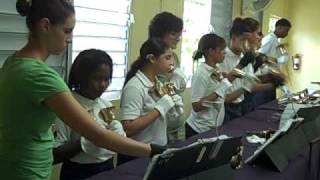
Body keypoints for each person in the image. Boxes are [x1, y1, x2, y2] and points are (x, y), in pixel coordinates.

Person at [0, 1, 163, 179]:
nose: (69, 38)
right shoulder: (40, 76)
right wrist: (156, 151)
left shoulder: (13, 62)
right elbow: (99, 136)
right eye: (67, 30)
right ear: (45, 25)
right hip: (28, 171)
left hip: (11, 163)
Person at [53, 49, 126, 180]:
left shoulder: (105, 105)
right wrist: (86, 141)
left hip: (107, 167)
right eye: (97, 79)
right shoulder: (68, 105)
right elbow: (55, 155)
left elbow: (113, 144)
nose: (103, 85)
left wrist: (117, 137)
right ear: (81, 77)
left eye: (107, 79)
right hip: (78, 172)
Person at [118, 38, 183, 164]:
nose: (172, 62)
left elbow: (159, 122)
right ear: (152, 59)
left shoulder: (157, 81)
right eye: (167, 58)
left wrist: (173, 111)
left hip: (158, 149)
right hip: (138, 154)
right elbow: (128, 128)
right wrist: (159, 109)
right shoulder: (135, 86)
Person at [219, 17, 276, 122]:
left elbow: (249, 83)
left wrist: (272, 84)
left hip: (239, 106)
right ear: (234, 38)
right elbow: (223, 87)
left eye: (248, 41)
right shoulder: (223, 58)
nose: (246, 44)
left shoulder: (245, 57)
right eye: (243, 40)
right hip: (225, 108)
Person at [185, 33, 238, 138]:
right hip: (199, 129)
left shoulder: (216, 69)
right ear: (211, 51)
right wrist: (223, 86)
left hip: (213, 127)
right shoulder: (201, 73)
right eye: (221, 49)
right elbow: (196, 106)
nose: (225, 52)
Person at [148, 11, 186, 143]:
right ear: (159, 35)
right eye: (173, 34)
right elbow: (154, 95)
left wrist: (179, 83)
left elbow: (179, 88)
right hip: (159, 130)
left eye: (179, 34)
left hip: (176, 125)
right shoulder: (151, 58)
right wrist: (174, 85)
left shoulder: (173, 56)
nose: (178, 38)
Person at [255, 18, 292, 106]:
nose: (287, 33)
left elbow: (278, 57)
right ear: (279, 27)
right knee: (262, 108)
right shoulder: (270, 39)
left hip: (272, 78)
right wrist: (277, 60)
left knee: (270, 105)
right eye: (286, 30)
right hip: (264, 79)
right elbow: (259, 56)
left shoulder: (276, 41)